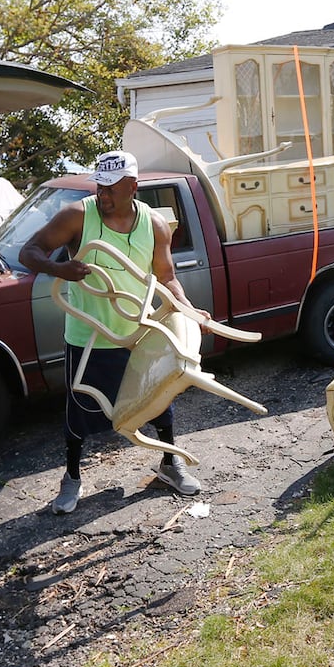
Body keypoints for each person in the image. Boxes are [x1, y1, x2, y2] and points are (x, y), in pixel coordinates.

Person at [20, 150, 204, 514]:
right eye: (100, 187)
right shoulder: (78, 215)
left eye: (111, 189)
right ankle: (71, 478)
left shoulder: (154, 224)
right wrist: (60, 270)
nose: (102, 195)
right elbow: (30, 252)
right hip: (89, 335)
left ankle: (169, 464)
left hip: (139, 333)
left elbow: (166, 277)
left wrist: (186, 309)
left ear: (133, 187)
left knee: (159, 397)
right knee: (80, 412)